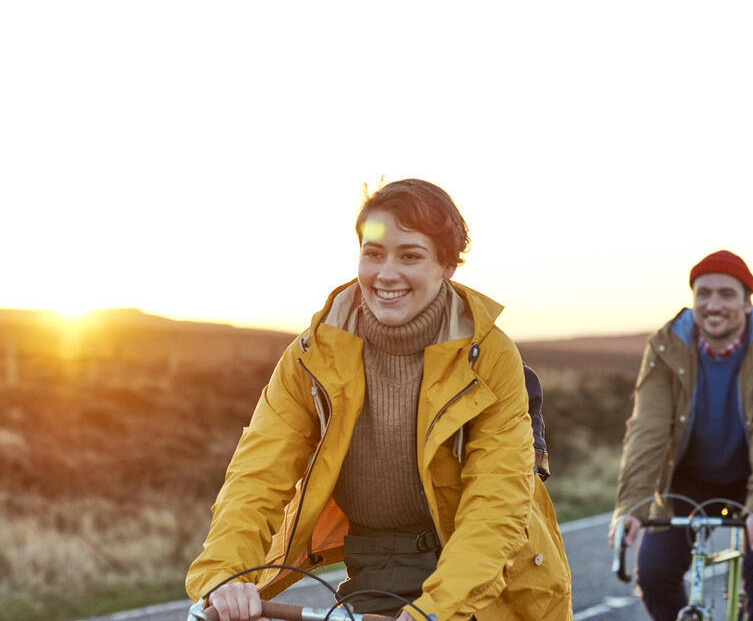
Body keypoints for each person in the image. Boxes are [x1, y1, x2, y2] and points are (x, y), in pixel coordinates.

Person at [185, 179, 572, 621]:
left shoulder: (490, 356)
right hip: (376, 566)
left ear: (447, 265)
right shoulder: (313, 355)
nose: (386, 273)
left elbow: (496, 501)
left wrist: (437, 609)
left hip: (488, 572)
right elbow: (257, 477)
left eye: (409, 255)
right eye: (373, 254)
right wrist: (225, 574)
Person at [609, 250, 753, 621]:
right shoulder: (666, 346)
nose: (713, 304)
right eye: (703, 293)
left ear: (746, 303)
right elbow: (648, 429)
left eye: (727, 294)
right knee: (656, 576)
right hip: (688, 479)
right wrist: (632, 506)